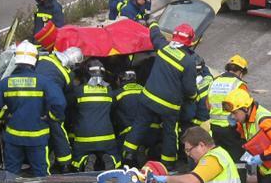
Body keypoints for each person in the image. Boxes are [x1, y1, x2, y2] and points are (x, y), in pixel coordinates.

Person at [0, 41, 66, 177]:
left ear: (16, 60)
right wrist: (50, 116)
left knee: (10, 174)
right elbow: (59, 103)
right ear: (35, 60)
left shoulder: (6, 82)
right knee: (41, 174)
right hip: (37, 138)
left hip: (13, 138)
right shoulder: (44, 82)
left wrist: (4, 116)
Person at [125, 22, 201, 167]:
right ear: (189, 41)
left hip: (148, 98)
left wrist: (152, 22)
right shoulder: (189, 61)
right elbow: (189, 89)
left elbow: (155, 34)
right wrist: (193, 98)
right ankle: (168, 164)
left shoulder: (163, 47)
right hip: (169, 106)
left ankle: (128, 154)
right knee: (169, 133)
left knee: (139, 124)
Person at [35, 46, 82, 171]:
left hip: (29, 98)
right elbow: (65, 98)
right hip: (47, 103)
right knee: (57, 128)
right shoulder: (67, 75)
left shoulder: (45, 57)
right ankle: (65, 163)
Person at [69, 60, 120, 170]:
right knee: (115, 155)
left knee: (77, 159)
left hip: (84, 138)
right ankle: (109, 157)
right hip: (106, 136)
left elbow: (70, 109)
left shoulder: (79, 91)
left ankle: (86, 159)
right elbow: (114, 109)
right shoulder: (109, 90)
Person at [205, 55, 249, 159]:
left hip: (214, 129)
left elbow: (207, 105)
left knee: (220, 158)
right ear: (241, 72)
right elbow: (245, 109)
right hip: (232, 129)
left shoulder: (214, 82)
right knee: (236, 160)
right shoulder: (239, 84)